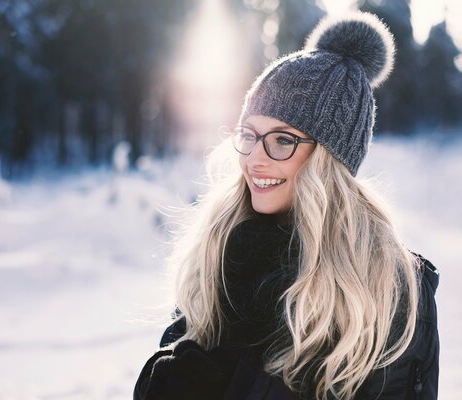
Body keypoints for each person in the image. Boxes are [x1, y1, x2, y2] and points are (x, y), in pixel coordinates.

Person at [134, 11, 439, 400]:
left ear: (329, 160)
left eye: (282, 140)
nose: (255, 159)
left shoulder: (386, 289)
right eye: (250, 134)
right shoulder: (217, 254)